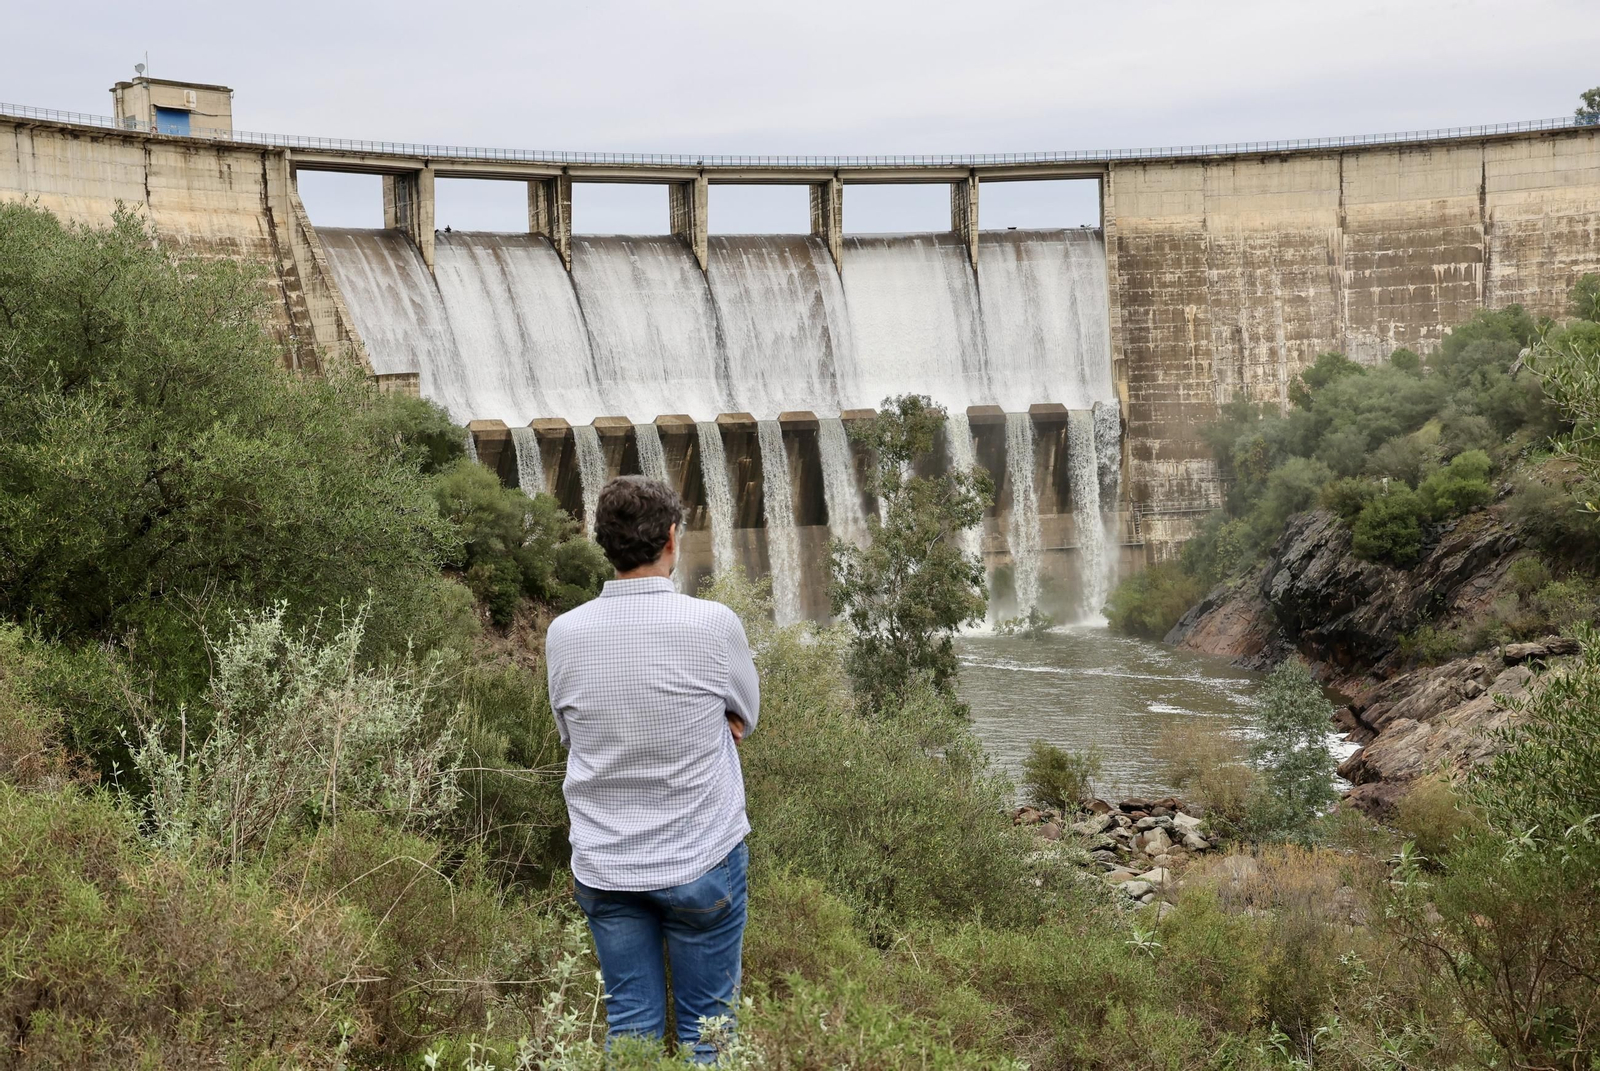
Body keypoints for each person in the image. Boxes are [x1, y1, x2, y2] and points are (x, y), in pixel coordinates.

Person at [545, 475, 760, 1062]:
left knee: (631, 1031)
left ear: (603, 544)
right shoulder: (714, 625)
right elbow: (746, 715)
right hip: (701, 859)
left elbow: (571, 732)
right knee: (708, 1036)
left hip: (607, 863)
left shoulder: (564, 635)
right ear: (672, 537)